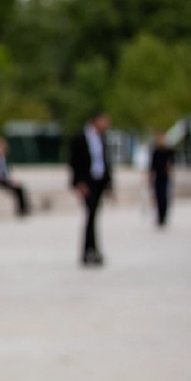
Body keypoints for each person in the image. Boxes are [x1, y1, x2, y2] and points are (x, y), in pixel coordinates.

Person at [68, 111, 112, 266]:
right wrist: (79, 182)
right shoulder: (80, 138)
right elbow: (74, 162)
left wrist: (109, 183)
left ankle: (92, 250)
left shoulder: (102, 138)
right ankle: (89, 251)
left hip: (99, 181)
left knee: (94, 216)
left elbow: (105, 161)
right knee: (90, 215)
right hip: (87, 183)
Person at [0, 136, 29, 217]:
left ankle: (22, 209)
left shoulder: (4, 159)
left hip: (3, 180)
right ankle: (22, 209)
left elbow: (6, 172)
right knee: (16, 188)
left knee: (19, 188)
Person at [149, 132, 175, 227]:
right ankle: (159, 216)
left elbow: (172, 162)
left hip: (165, 177)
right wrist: (149, 178)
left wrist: (169, 169)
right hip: (158, 177)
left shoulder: (169, 151)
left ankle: (164, 216)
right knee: (158, 196)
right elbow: (152, 166)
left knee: (164, 197)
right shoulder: (155, 152)